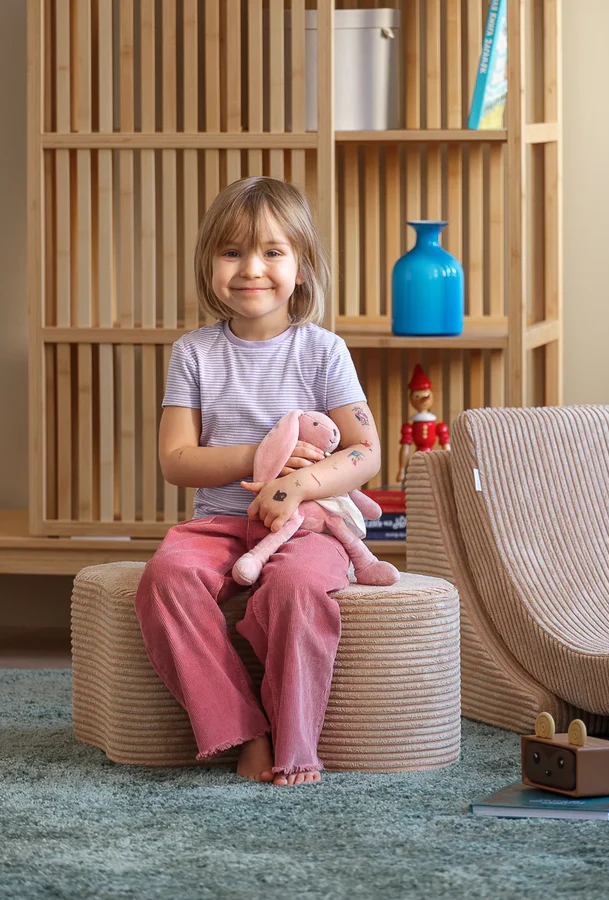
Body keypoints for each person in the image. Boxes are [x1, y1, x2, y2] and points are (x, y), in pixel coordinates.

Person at [135, 177, 381, 786]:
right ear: (209, 263)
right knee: (166, 578)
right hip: (219, 524)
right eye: (232, 251)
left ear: (302, 266)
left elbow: (366, 451)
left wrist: (298, 485)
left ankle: (296, 741)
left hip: (306, 527)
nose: (251, 268)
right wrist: (266, 456)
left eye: (272, 251)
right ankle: (246, 730)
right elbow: (176, 461)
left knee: (298, 587)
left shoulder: (324, 351)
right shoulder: (194, 353)